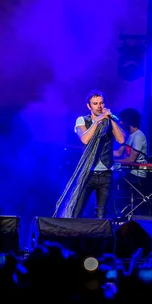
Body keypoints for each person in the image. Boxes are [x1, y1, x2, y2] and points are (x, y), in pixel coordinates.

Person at [54, 89, 125, 219]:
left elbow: (121, 140)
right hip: (87, 173)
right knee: (77, 209)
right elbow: (85, 139)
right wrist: (98, 120)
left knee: (101, 213)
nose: (99, 106)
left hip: (106, 173)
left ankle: (99, 238)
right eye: (95, 103)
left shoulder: (111, 120)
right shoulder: (81, 120)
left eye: (101, 103)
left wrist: (111, 119)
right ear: (89, 106)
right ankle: (74, 236)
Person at [113, 108, 150, 216]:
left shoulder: (138, 136)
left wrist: (114, 163)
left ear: (127, 121)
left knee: (113, 185)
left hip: (137, 175)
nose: (120, 122)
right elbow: (119, 153)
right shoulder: (130, 136)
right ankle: (120, 213)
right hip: (129, 173)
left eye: (122, 120)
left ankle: (119, 213)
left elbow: (131, 160)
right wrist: (104, 152)